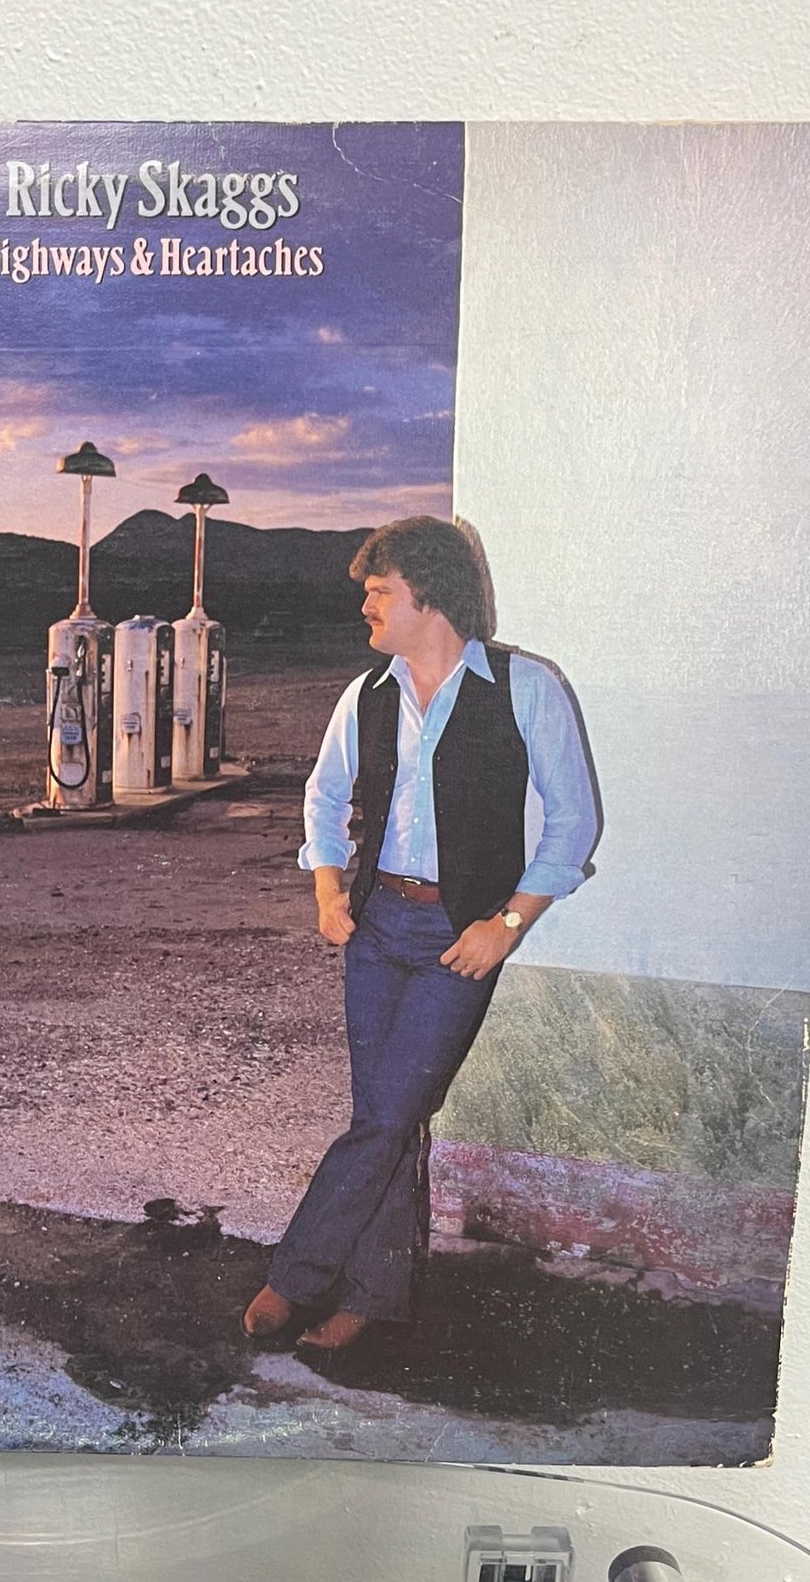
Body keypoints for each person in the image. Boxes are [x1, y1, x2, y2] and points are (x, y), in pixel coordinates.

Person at [244, 515, 597, 1352]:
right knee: (384, 1115)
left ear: (428, 596)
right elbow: (324, 795)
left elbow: (573, 822)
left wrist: (506, 924)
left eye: (379, 591)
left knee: (383, 1116)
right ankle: (372, 1296)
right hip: (375, 928)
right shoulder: (367, 694)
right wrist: (328, 887)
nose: (365, 606)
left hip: (455, 938)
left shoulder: (525, 688)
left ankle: (293, 1278)